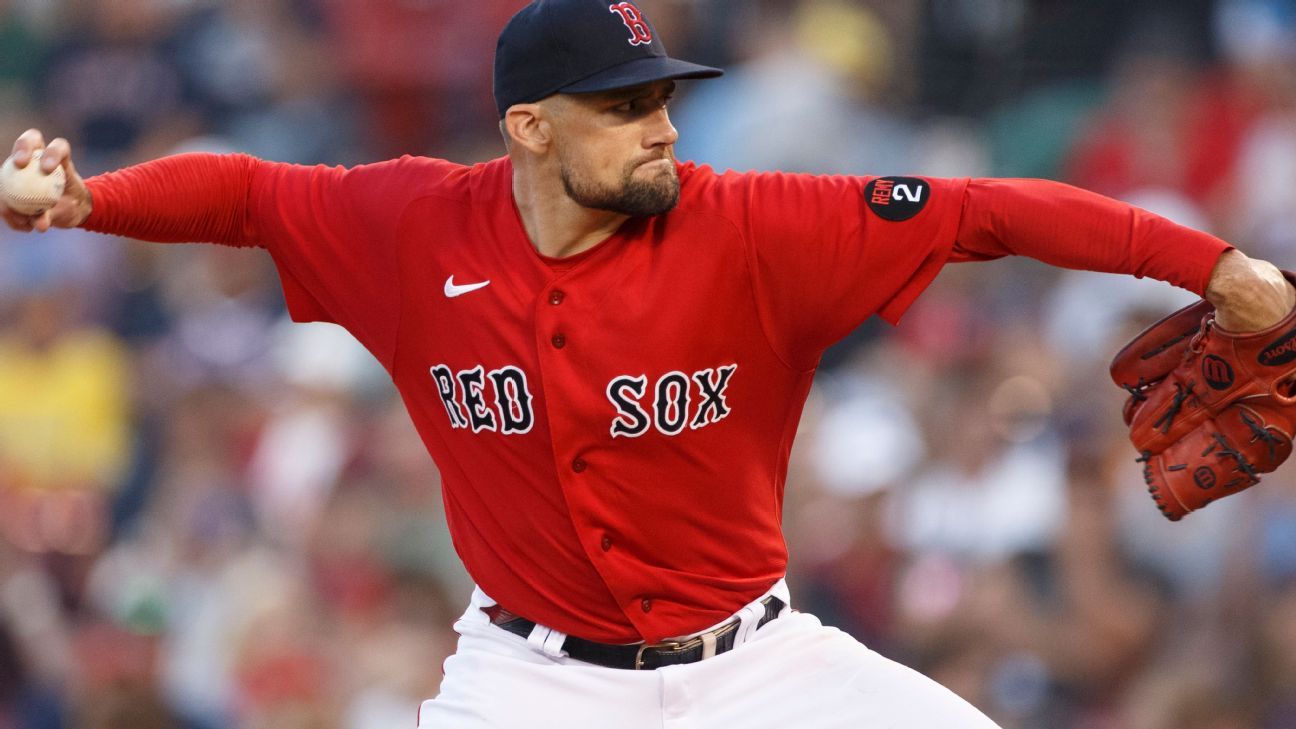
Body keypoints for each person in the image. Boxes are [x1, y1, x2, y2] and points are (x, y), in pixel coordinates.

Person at [4, 1, 1293, 726]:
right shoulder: (412, 223)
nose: (661, 125)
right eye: (625, 108)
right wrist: (88, 202)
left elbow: (983, 212)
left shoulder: (749, 225)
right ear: (528, 129)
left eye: (663, 96)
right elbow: (247, 194)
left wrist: (1212, 265)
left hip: (759, 669)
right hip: (527, 681)